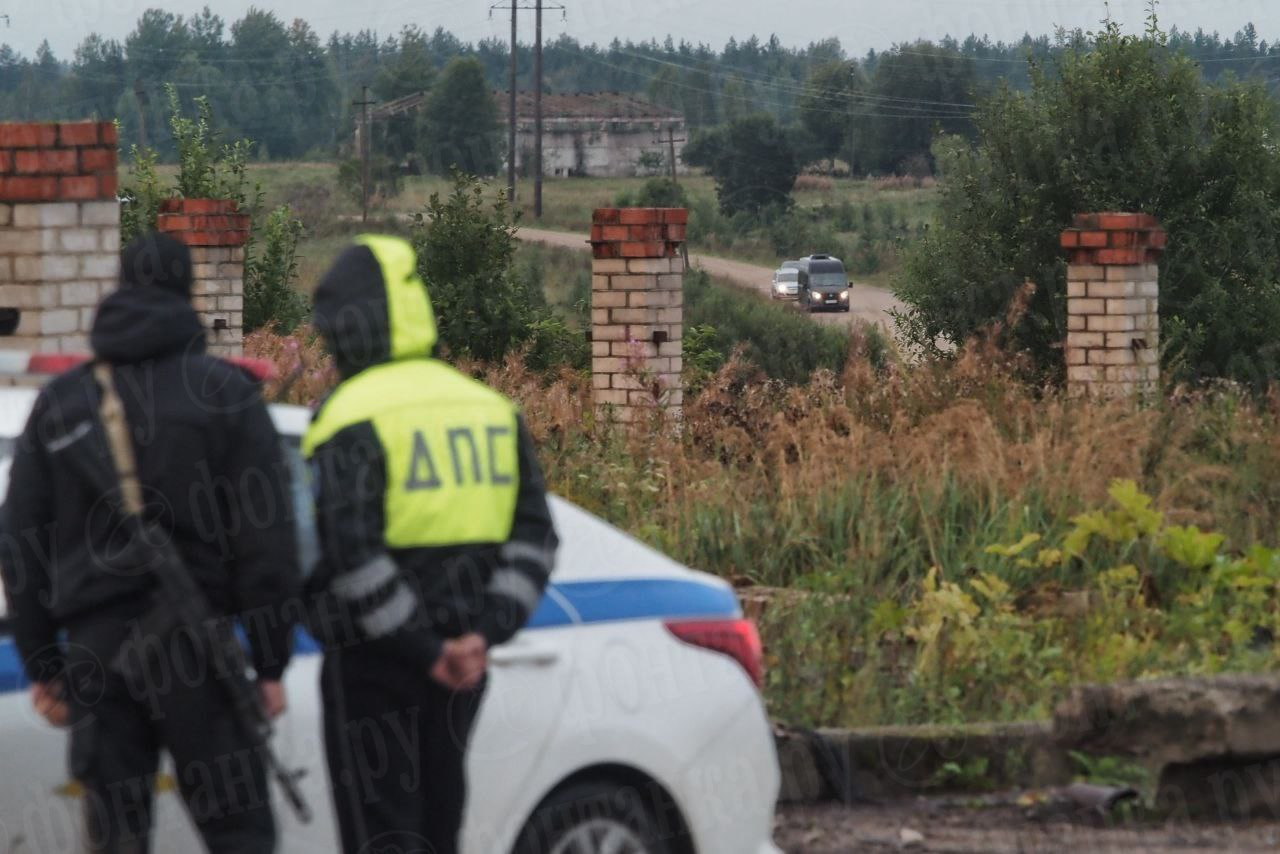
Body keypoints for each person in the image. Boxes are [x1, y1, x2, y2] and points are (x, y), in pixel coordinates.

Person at [0, 232, 300, 853]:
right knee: (239, 834)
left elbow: (20, 542)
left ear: (121, 285)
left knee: (116, 839)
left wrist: (45, 666)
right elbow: (266, 540)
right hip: (201, 659)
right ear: (187, 291)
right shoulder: (226, 395)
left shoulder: (63, 402)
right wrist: (270, 662)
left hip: (96, 661)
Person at [304, 234, 558, 854]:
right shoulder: (494, 410)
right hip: (466, 670)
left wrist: (423, 649)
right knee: (442, 828)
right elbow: (535, 543)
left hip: (374, 668)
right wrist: (481, 636)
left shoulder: (346, 415)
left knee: (383, 834)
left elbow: (352, 560)